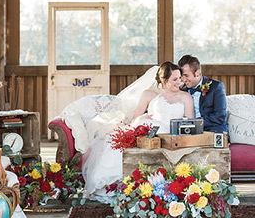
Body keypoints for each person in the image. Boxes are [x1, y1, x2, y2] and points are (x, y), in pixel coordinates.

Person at [81, 62, 194, 202]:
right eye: (175, 79)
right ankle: (113, 184)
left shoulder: (185, 97)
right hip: (151, 127)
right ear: (164, 81)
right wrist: (142, 118)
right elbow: (136, 118)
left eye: (180, 78)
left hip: (173, 131)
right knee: (115, 144)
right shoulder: (149, 94)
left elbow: (190, 122)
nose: (179, 82)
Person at [178, 54, 228, 133]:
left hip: (214, 130)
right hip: (189, 133)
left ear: (197, 73)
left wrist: (195, 123)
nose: (183, 80)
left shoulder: (216, 87)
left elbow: (219, 117)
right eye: (182, 76)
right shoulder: (182, 90)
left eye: (186, 75)